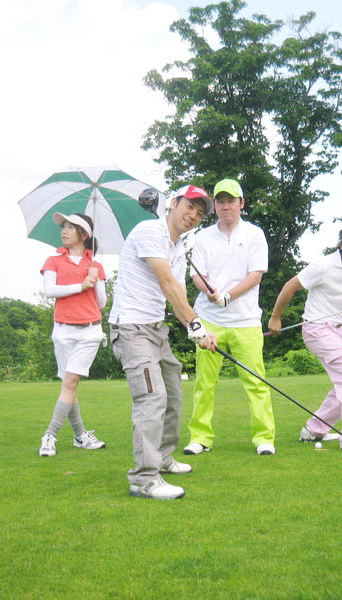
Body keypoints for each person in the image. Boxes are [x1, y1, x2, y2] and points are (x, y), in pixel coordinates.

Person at [109, 184, 218, 500]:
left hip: (157, 330)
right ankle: (144, 479)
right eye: (189, 206)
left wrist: (197, 328)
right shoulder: (149, 231)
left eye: (200, 213)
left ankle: (163, 458)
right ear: (173, 203)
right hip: (131, 329)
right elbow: (166, 282)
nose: (193, 215)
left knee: (172, 393)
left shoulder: (179, 248)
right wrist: (196, 326)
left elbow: (178, 295)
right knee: (152, 397)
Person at [267, 222, 342, 451]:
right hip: (316, 328)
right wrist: (275, 318)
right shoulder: (323, 266)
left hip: (337, 330)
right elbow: (289, 286)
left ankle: (315, 429)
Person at [183, 178, 276, 456]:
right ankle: (200, 437)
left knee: (256, 382)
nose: (226, 206)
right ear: (215, 206)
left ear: (241, 203)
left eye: (231, 201)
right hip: (209, 319)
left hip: (246, 320)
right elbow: (197, 276)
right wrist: (210, 291)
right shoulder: (202, 237)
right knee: (204, 383)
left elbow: (256, 275)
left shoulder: (254, 234)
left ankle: (264, 438)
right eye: (220, 201)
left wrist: (228, 296)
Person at [38, 213, 107, 457]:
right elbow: (49, 290)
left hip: (90, 330)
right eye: (63, 227)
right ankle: (80, 436)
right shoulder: (53, 261)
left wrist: (95, 281)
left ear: (84, 234)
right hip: (63, 330)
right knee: (70, 385)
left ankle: (50, 435)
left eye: (70, 227)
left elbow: (101, 303)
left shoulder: (96, 265)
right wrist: (81, 286)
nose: (64, 231)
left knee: (70, 382)